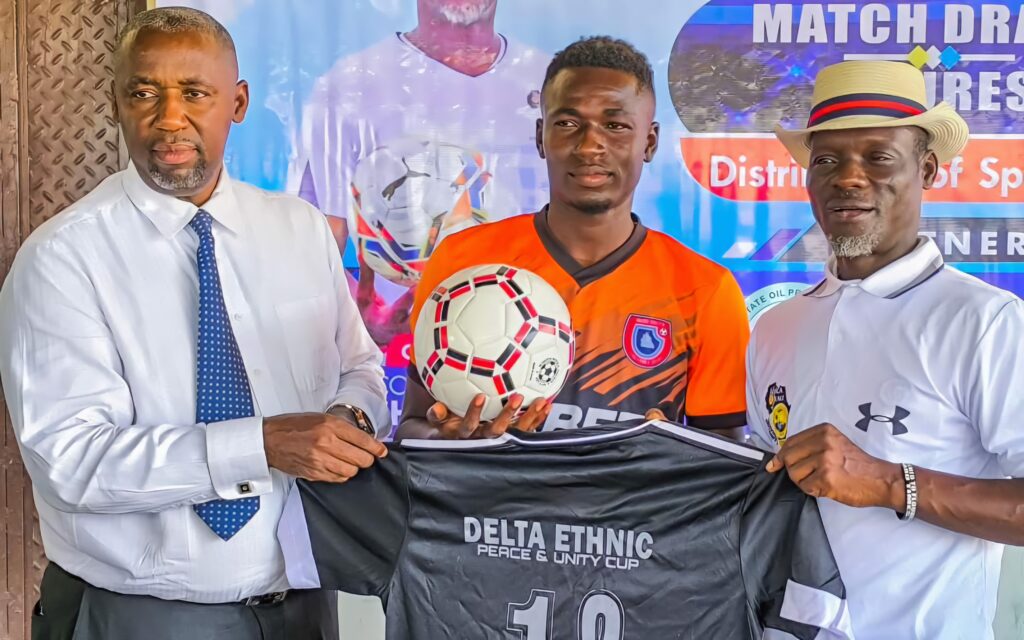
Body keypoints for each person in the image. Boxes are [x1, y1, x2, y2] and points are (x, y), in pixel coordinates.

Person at [0, 8, 389, 640]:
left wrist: (348, 422)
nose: (169, 118)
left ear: (237, 103)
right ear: (117, 102)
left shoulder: (299, 229)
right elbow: (71, 461)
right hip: (138, 616)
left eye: (195, 93)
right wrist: (261, 442)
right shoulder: (62, 259)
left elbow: (361, 367)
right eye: (144, 92)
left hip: (305, 609)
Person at [747, 60, 1024, 639]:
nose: (849, 178)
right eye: (827, 160)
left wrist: (888, 483)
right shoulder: (775, 327)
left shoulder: (986, 322)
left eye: (878, 157)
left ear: (926, 169)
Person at [396, 36, 750, 440]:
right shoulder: (463, 261)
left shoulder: (704, 290)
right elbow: (413, 425)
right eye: (567, 124)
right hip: (488, 504)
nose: (589, 145)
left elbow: (724, 458)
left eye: (615, 126)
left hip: (631, 506)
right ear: (540, 136)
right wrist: (453, 439)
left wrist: (662, 454)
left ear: (649, 142)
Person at [294, 0, 552, 348]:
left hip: (538, 340)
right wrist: (358, 316)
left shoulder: (552, 81)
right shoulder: (350, 85)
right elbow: (316, 244)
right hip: (404, 357)